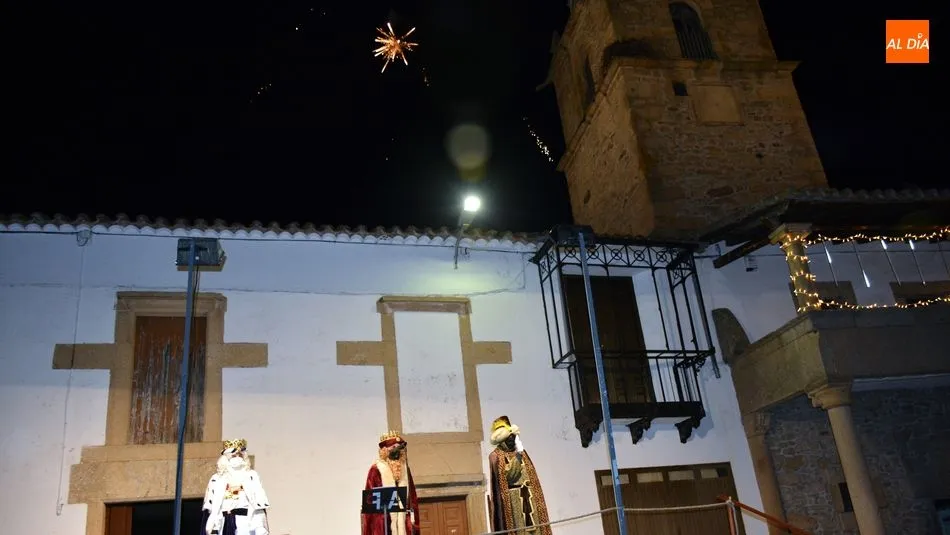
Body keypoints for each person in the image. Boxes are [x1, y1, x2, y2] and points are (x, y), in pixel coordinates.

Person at [487, 416, 552, 535]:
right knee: (520, 529)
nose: (513, 441)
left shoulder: (521, 452)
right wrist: (517, 456)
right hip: (514, 498)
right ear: (502, 441)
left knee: (536, 527)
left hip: (530, 495)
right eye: (509, 439)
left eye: (514, 438)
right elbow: (509, 475)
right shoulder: (496, 456)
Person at [203, 439, 271, 535]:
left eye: (240, 455)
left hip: (245, 524)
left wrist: (260, 526)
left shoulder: (252, 476)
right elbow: (213, 509)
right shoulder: (216, 479)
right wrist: (213, 527)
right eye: (234, 455)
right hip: (224, 524)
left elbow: (258, 505)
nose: (238, 458)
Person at [361, 430, 420, 535]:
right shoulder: (376, 469)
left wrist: (414, 524)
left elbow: (413, 499)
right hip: (383, 522)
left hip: (403, 523)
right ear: (385, 450)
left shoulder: (405, 470)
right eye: (393, 447)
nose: (396, 450)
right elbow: (369, 504)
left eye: (398, 447)